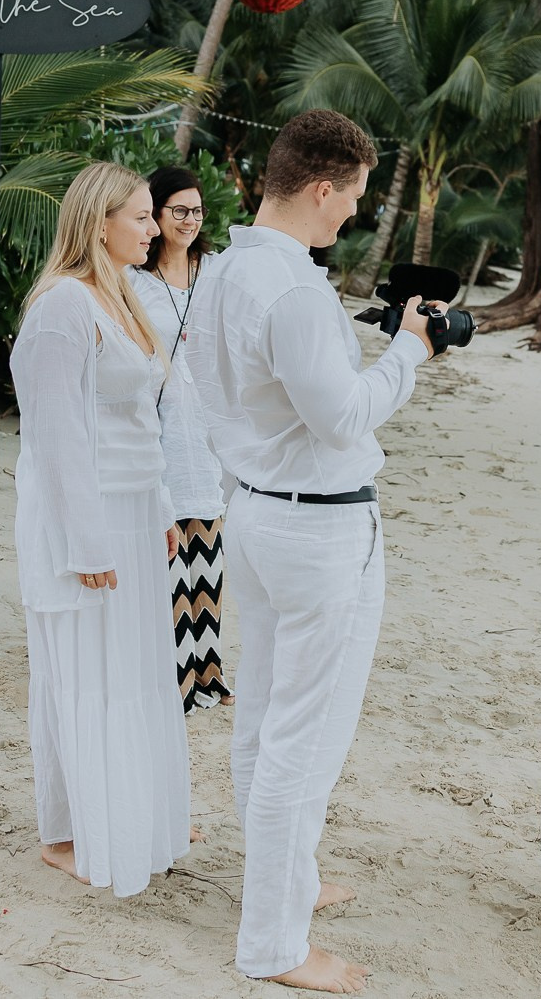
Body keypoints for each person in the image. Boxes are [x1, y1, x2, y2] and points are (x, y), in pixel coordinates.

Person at [191, 110, 440, 994]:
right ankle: (274, 945)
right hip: (318, 526)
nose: (354, 217)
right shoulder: (292, 290)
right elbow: (339, 416)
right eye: (355, 199)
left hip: (256, 510)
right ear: (322, 186)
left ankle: (286, 889)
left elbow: (253, 396)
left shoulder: (222, 272)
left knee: (265, 720)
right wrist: (410, 350)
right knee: (305, 736)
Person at [11, 161, 191, 896]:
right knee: (84, 672)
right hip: (82, 518)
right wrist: (85, 542)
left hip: (132, 509)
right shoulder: (61, 307)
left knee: (134, 668)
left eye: (153, 216)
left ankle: (131, 812)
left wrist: (160, 511)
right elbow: (54, 440)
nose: (156, 228)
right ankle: (68, 830)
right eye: (143, 216)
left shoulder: (120, 296)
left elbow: (136, 419)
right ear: (99, 221)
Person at [126, 164, 232, 713]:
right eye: (178, 210)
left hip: (208, 424)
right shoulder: (135, 280)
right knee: (169, 559)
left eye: (197, 210)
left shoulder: (216, 270)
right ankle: (175, 681)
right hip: (160, 421)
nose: (190, 220)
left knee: (207, 556)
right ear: (157, 213)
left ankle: (208, 674)